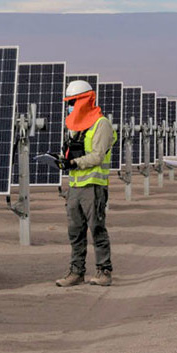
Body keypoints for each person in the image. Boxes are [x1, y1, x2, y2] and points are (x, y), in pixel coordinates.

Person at [55, 80, 117, 288]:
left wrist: (73, 162)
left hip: (93, 187)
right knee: (75, 231)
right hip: (75, 187)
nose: (70, 106)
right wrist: (62, 160)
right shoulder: (74, 127)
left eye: (73, 102)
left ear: (84, 101)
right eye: (68, 102)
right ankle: (76, 272)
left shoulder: (101, 124)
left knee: (97, 229)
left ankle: (104, 271)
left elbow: (97, 156)